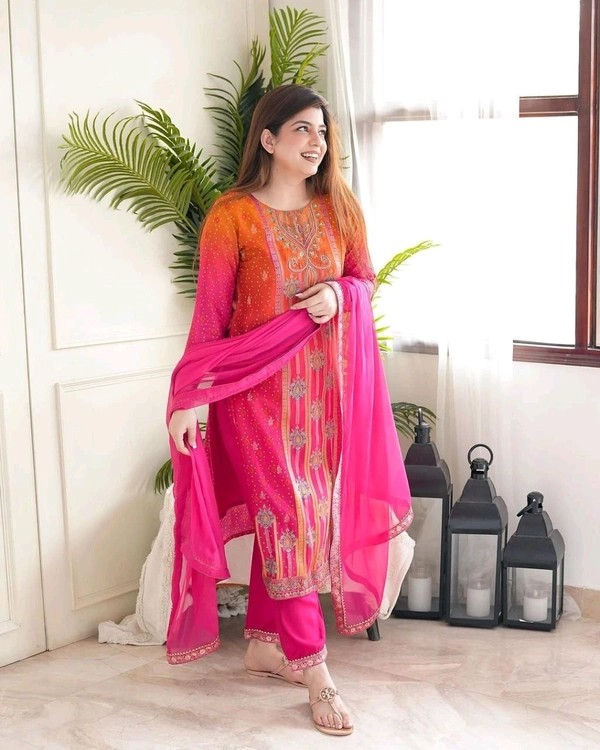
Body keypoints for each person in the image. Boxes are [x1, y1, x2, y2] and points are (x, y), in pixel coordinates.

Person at [167, 84, 412, 737]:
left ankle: (263, 646)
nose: (317, 142)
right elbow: (210, 318)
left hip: (325, 396)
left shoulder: (340, 209)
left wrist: (339, 293)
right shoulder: (232, 217)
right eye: (302, 129)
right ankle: (316, 669)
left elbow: (364, 280)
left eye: (322, 132)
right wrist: (188, 398)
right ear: (268, 138)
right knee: (290, 518)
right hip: (255, 397)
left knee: (300, 519)